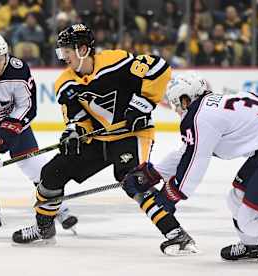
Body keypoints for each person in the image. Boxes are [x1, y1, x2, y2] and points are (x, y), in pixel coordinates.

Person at [12, 24, 198, 256]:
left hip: (131, 135)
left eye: (66, 52)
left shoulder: (116, 61)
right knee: (51, 173)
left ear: (82, 49)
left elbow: (158, 68)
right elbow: (76, 117)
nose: (63, 57)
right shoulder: (65, 83)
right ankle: (44, 229)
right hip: (98, 138)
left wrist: (142, 105)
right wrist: (75, 131)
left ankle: (176, 235)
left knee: (135, 181)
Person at [122, 72, 258, 262]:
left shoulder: (199, 116)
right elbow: (188, 151)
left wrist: (171, 195)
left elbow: (195, 161)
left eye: (177, 104)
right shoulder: (215, 105)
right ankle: (252, 248)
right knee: (235, 198)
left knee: (250, 222)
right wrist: (153, 173)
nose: (179, 111)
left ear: (185, 99)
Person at [0, 32, 78, 237]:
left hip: (10, 118)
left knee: (35, 163)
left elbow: (28, 106)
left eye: (0, 59)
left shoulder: (18, 70)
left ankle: (56, 206)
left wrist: (10, 128)